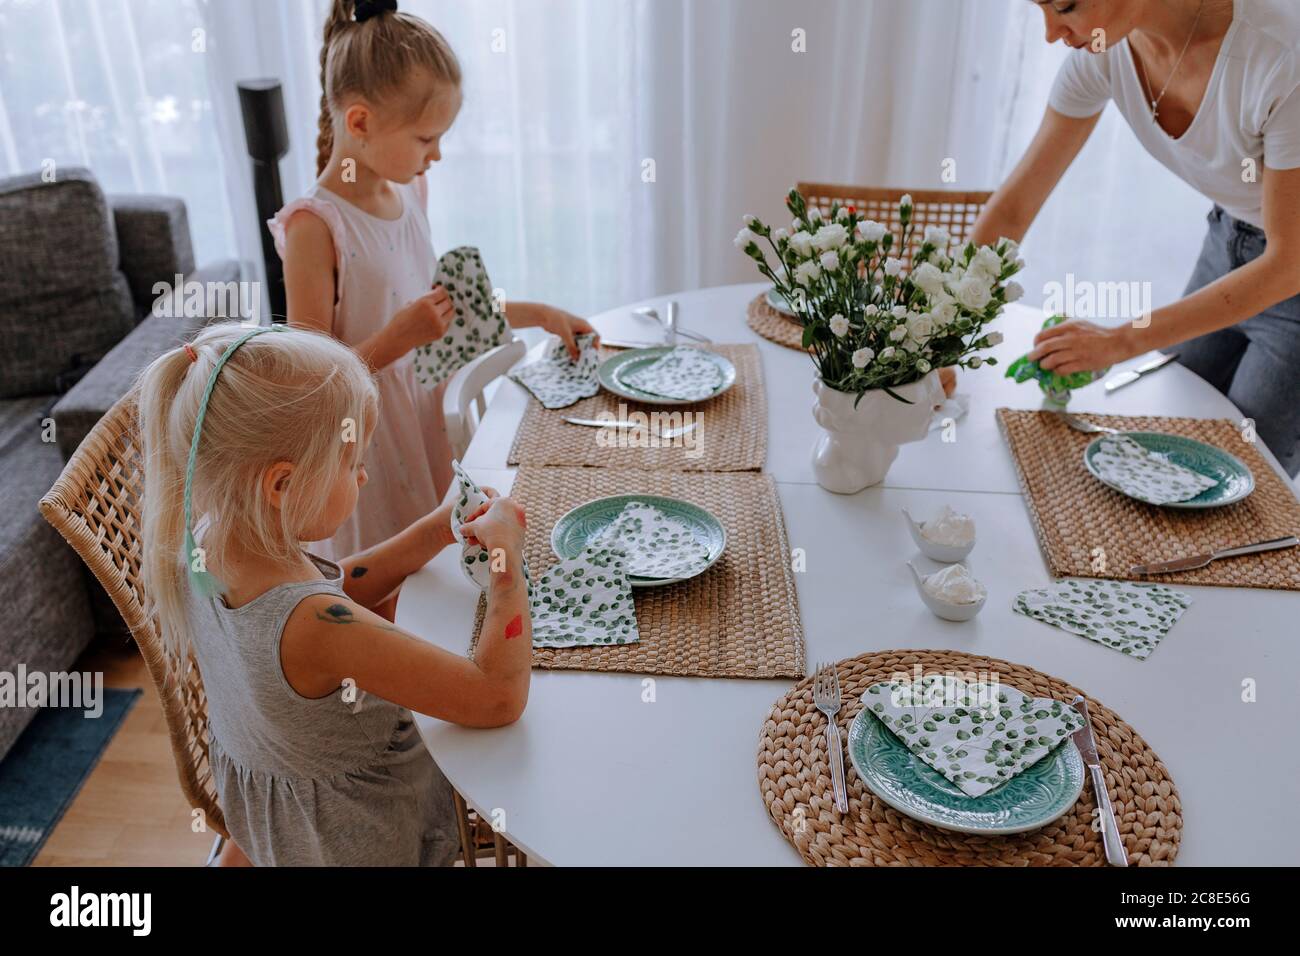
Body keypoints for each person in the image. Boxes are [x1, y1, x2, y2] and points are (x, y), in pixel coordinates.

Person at [137, 322, 532, 865]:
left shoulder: (205, 543)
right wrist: (507, 564)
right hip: (357, 837)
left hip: (276, 807)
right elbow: (496, 698)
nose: (363, 477)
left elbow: (334, 588)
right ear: (281, 485)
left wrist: (437, 529)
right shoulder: (314, 625)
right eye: (352, 463)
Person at [271, 0, 596, 568]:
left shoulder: (409, 193)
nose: (437, 155)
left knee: (435, 567)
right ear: (360, 123)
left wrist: (541, 312)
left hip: (422, 421)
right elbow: (310, 387)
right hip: (361, 451)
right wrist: (398, 337)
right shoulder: (315, 228)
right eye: (425, 139)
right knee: (387, 582)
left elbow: (443, 311)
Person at [972, 0, 1300, 475]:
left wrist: (1120, 340)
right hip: (1229, 238)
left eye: (1064, 6)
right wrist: (937, 341)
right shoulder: (1103, 52)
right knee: (1172, 439)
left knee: (1245, 477)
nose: (1049, 34)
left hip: (1291, 270)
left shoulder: (1280, 55)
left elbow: (1287, 264)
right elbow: (1013, 207)